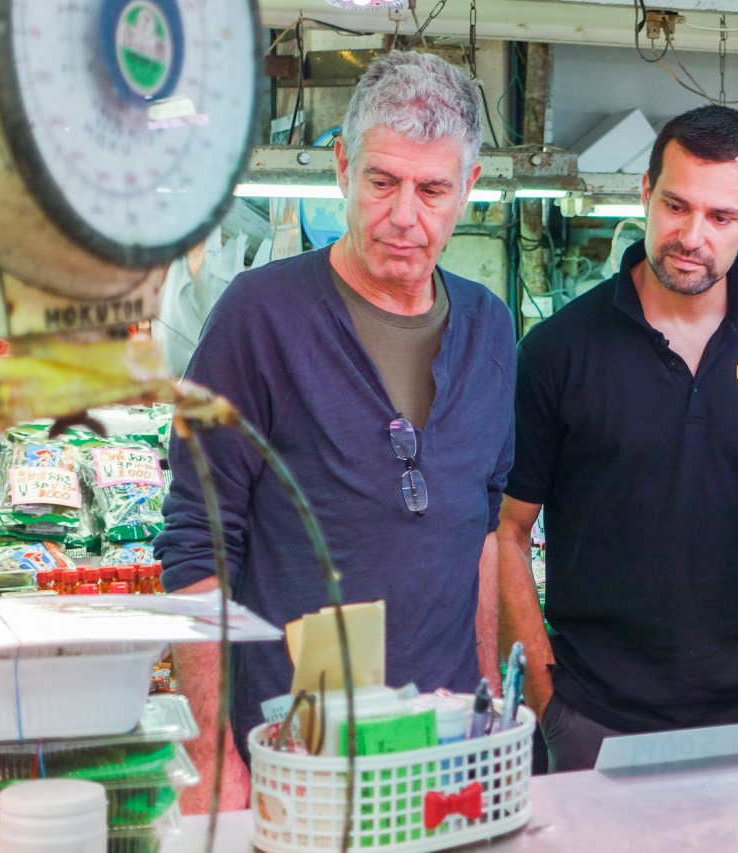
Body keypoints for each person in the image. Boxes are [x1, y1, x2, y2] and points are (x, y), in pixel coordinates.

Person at [156, 51, 515, 810]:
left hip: (444, 761)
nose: (404, 216)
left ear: (469, 190)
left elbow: (482, 534)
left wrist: (485, 712)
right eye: (382, 182)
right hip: (298, 762)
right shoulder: (256, 319)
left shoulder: (489, 328)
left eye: (432, 189)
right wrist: (212, 754)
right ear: (342, 165)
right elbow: (197, 544)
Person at [497, 105, 738, 773]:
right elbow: (507, 533)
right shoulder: (557, 351)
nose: (692, 236)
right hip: (597, 724)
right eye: (676, 206)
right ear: (645, 194)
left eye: (721, 217)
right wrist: (550, 703)